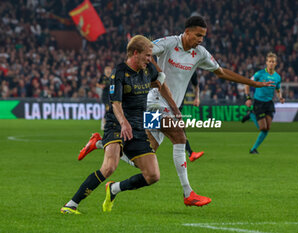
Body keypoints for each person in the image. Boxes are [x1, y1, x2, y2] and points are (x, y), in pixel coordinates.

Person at [78, 16, 274, 207]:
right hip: (153, 102)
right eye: (198, 35)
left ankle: (111, 179)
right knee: (179, 134)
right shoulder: (170, 43)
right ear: (187, 32)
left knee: (145, 160)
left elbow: (221, 72)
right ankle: (188, 193)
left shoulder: (201, 53)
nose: (200, 40)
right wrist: (157, 74)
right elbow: (146, 50)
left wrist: (254, 83)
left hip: (171, 107)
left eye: (203, 36)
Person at [61, 35, 164, 214]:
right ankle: (71, 204)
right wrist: (124, 123)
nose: (150, 60)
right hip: (117, 125)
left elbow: (160, 75)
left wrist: (157, 85)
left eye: (151, 56)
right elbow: (115, 103)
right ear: (135, 53)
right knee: (109, 167)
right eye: (147, 56)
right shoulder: (119, 73)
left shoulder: (147, 71)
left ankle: (114, 189)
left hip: (138, 129)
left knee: (153, 176)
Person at [243, 52, 285, 154]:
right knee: (262, 128)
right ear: (266, 62)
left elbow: (278, 89)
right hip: (259, 103)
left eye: (273, 62)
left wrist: (280, 97)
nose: (271, 63)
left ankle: (253, 149)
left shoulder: (277, 77)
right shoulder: (259, 74)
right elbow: (247, 84)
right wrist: (248, 98)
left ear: (276, 63)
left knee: (267, 129)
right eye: (269, 61)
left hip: (269, 103)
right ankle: (252, 115)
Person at [180, 72, 204, 162]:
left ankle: (190, 153)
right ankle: (190, 153)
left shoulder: (191, 68)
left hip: (175, 105)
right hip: (160, 104)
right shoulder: (169, 63)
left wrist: (197, 98)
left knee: (179, 135)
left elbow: (196, 85)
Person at [97, 66, 112, 131]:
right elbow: (97, 84)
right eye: (107, 69)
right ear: (105, 70)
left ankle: (107, 122)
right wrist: (101, 86)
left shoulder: (113, 76)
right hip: (105, 95)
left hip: (112, 95)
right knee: (108, 108)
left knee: (111, 109)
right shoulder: (102, 77)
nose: (108, 70)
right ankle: (104, 122)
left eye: (109, 69)